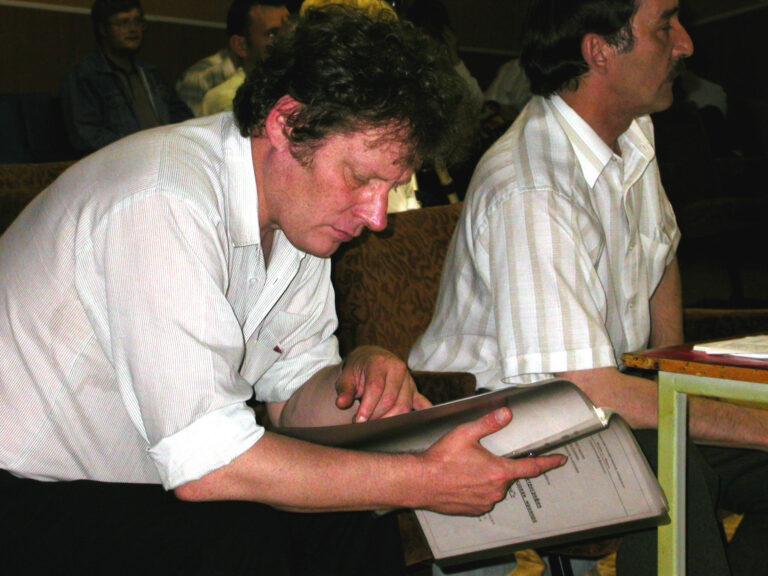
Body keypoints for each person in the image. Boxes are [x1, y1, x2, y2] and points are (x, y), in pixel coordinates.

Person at [0, 7, 566, 574]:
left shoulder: (299, 218)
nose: (376, 217)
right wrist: (421, 480)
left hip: (136, 479)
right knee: (241, 536)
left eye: (391, 188)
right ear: (287, 124)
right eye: (362, 178)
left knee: (348, 516)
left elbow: (291, 398)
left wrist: (358, 377)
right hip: (26, 485)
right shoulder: (164, 201)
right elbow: (208, 465)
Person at [410, 0, 768, 574]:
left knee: (697, 450)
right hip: (506, 431)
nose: (685, 44)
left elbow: (660, 254)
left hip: (600, 403)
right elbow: (584, 390)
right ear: (599, 51)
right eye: (664, 26)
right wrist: (744, 422)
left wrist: (667, 377)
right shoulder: (532, 187)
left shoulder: (632, 132)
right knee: (678, 470)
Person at [60, 0, 192, 155]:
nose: (133, 29)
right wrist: (141, 149)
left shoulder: (151, 74)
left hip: (167, 155)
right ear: (103, 29)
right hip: (121, 162)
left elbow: (183, 119)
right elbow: (87, 137)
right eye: (124, 23)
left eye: (138, 21)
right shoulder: (85, 75)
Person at [200, 0, 289, 116]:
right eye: (272, 34)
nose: (287, 41)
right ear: (241, 46)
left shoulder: (293, 87)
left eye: (288, 31)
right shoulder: (227, 99)